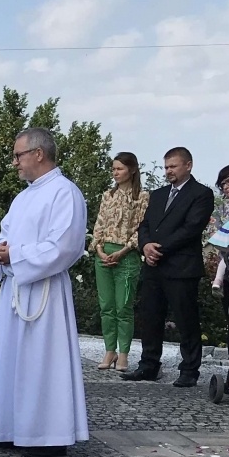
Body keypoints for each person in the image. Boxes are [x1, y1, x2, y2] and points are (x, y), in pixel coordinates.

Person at [0, 127, 90, 457]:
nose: (14, 162)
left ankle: (46, 434)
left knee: (42, 362)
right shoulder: (23, 197)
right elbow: (4, 234)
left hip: (45, 291)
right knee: (12, 360)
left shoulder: (65, 193)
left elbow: (65, 246)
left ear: (39, 154)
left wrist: (15, 255)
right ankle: (9, 428)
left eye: (18, 155)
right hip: (16, 287)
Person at [125, 146, 215, 387]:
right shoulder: (158, 195)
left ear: (188, 165)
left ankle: (189, 370)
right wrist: (145, 246)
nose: (168, 171)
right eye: (166, 167)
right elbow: (145, 225)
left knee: (186, 320)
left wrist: (159, 249)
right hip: (154, 267)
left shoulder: (201, 194)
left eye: (173, 166)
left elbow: (191, 228)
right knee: (150, 317)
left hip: (181, 267)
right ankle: (149, 365)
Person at [89, 153, 149, 372]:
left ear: (131, 170)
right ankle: (109, 350)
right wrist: (99, 250)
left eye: (119, 169)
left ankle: (123, 353)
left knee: (123, 307)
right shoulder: (108, 195)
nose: (115, 173)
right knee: (106, 306)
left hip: (127, 255)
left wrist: (123, 251)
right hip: (104, 253)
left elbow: (141, 228)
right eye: (113, 169)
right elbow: (99, 224)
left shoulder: (142, 197)